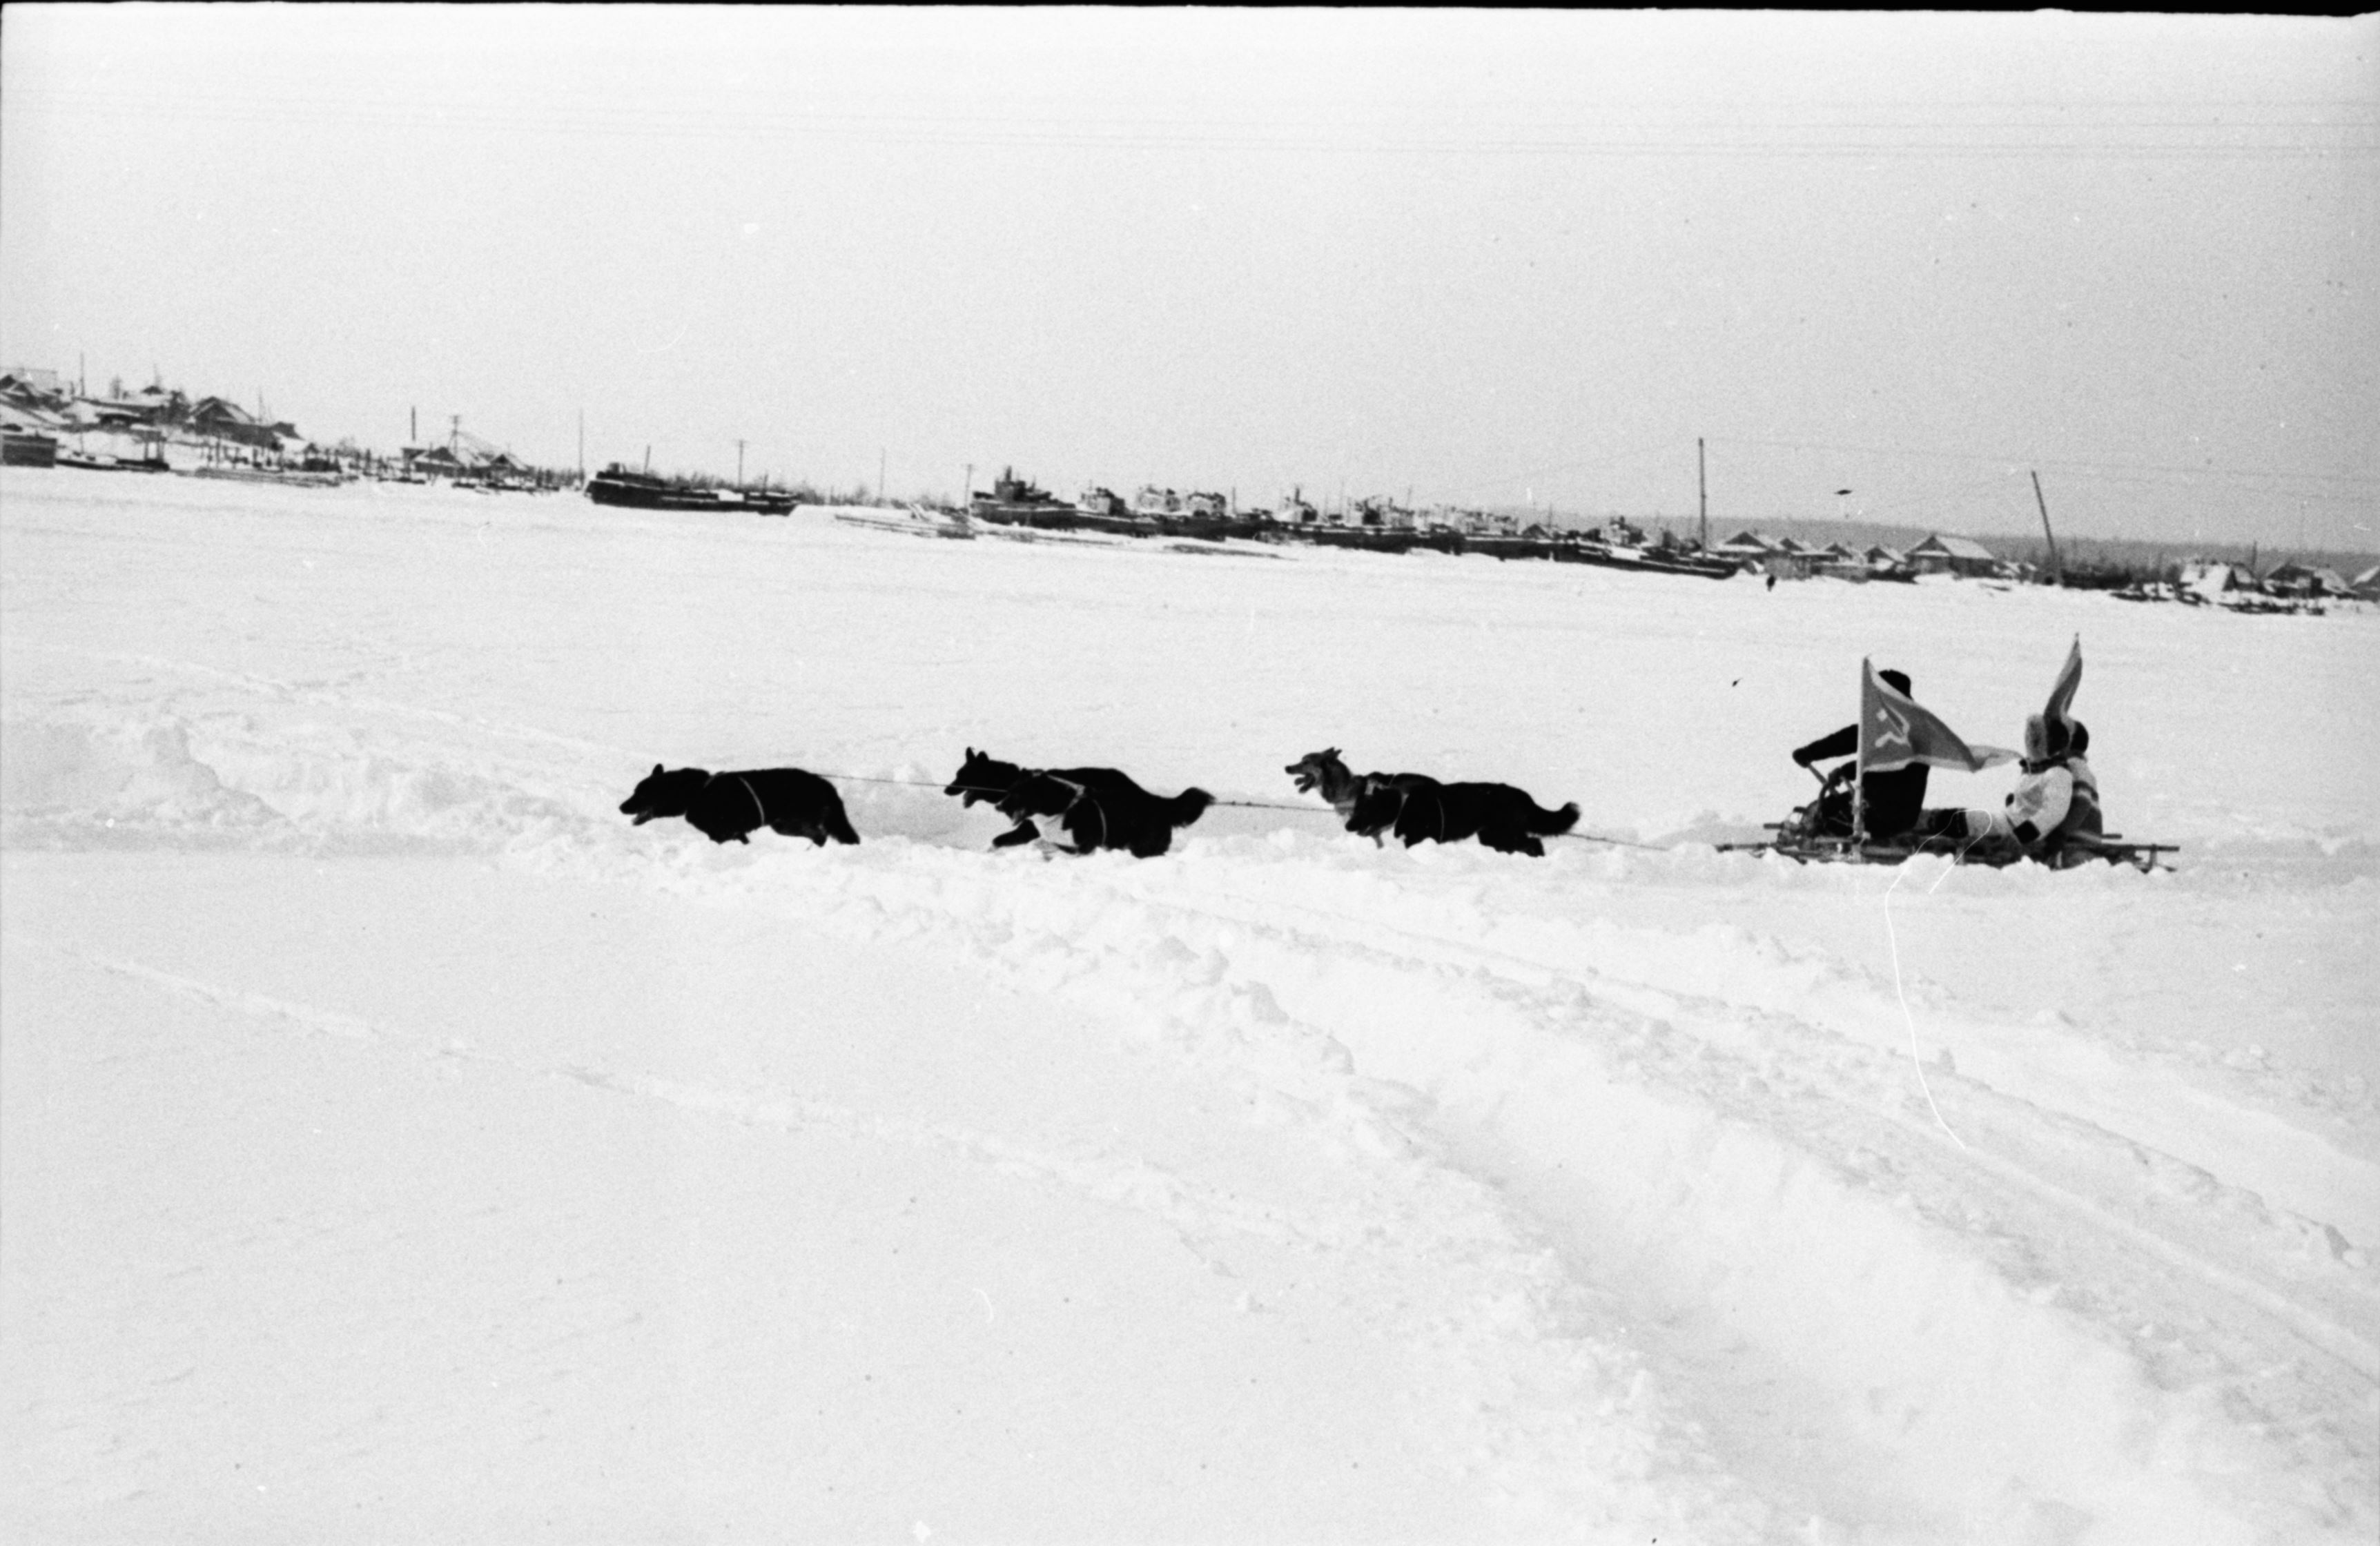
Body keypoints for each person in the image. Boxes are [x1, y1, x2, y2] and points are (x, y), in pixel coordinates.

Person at [1791, 668, 1929, 841]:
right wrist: (1811, 752)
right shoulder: (1887, 724)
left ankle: (1827, 848)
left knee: (1827, 814)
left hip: (1888, 813)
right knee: (1825, 808)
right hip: (1877, 804)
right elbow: (1849, 739)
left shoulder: (1911, 731)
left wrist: (1847, 770)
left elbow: (1891, 763)